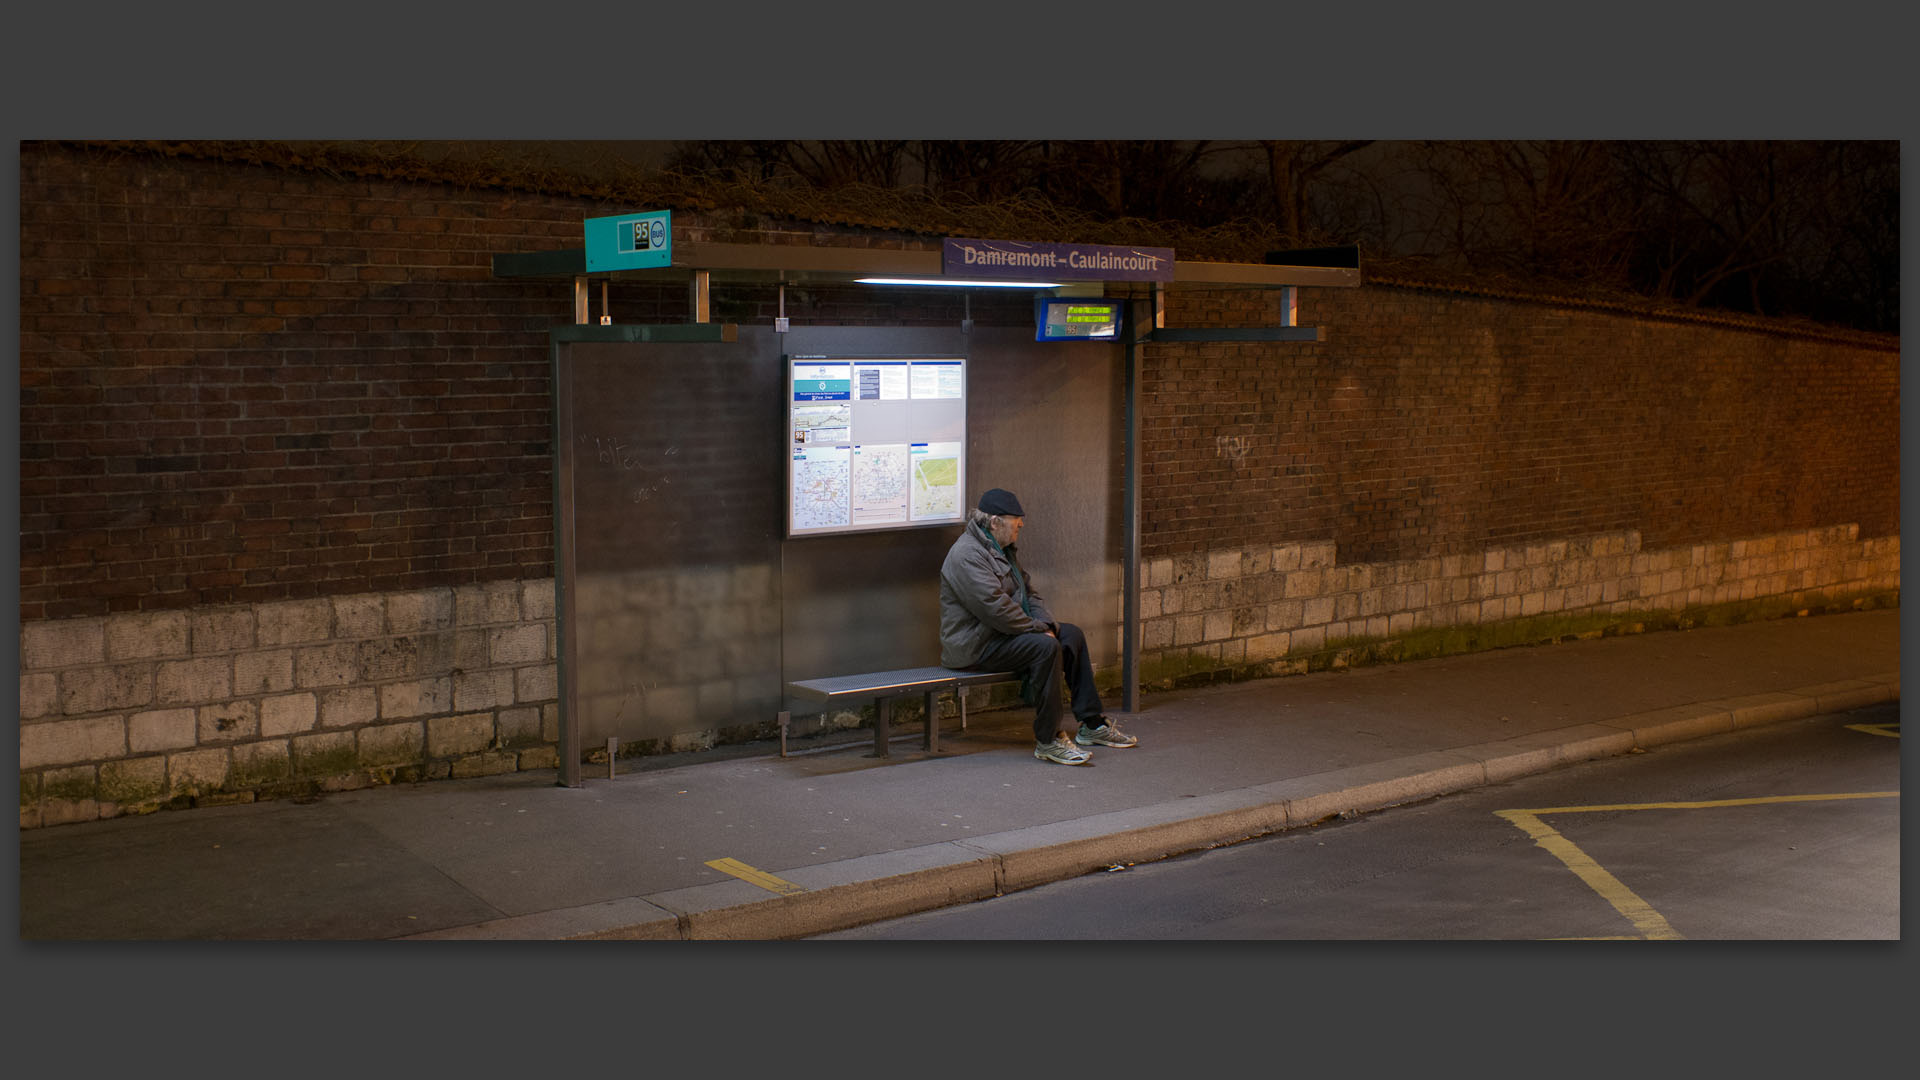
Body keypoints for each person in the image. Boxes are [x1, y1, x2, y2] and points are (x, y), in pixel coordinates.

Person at [938, 487, 1138, 765]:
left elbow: (1028, 592)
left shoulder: (1002, 549)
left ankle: (1091, 724)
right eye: (1015, 519)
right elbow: (995, 609)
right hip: (976, 647)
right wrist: (1037, 629)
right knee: (1045, 646)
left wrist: (1047, 624)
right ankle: (1049, 740)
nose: (1021, 524)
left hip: (1004, 636)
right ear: (995, 522)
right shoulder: (966, 555)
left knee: (1071, 635)